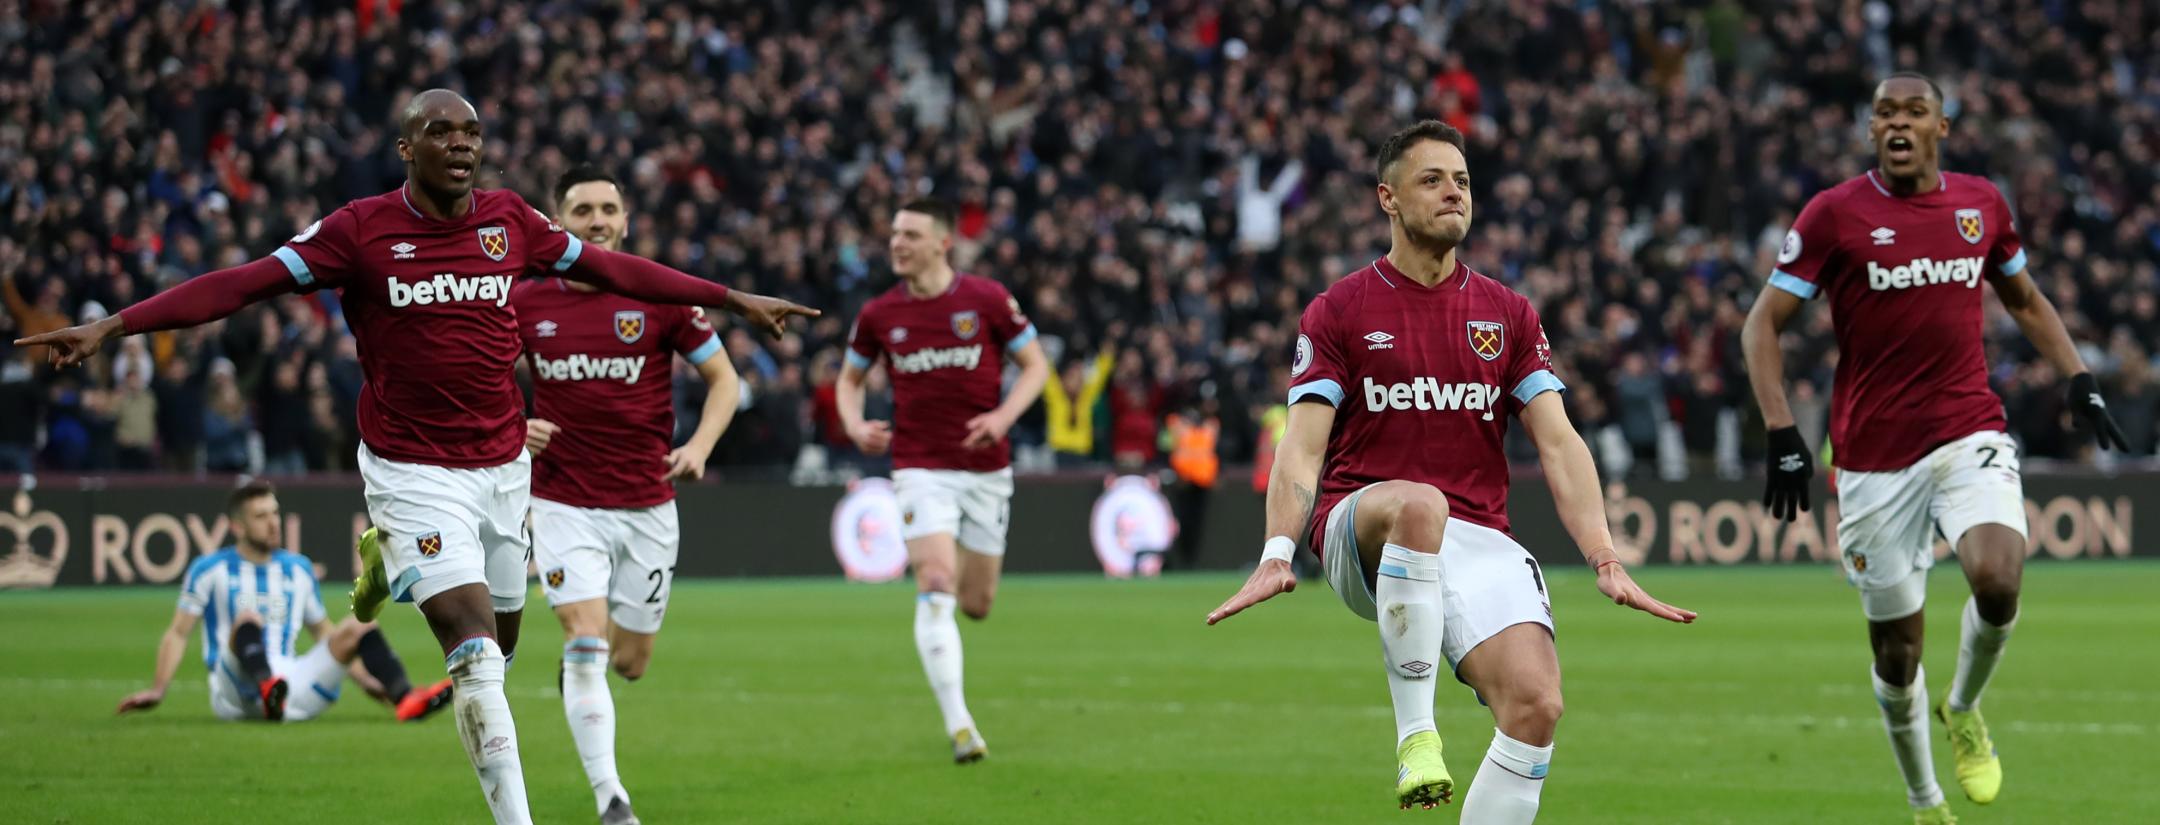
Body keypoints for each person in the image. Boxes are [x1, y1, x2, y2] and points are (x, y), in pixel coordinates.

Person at [15, 89, 816, 825]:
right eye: (442, 132)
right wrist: (114, 324)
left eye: (472, 132)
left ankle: (385, 562)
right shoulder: (358, 231)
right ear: (407, 148)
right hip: (412, 471)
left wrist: (728, 298)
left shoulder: (511, 221)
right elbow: (241, 284)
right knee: (475, 657)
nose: (461, 144)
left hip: (504, 468)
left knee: (504, 645)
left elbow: (615, 268)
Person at [1206, 120, 1696, 820]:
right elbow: (1303, 445)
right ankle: (1417, 737)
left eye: (1462, 181)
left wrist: (1605, 555)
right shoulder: (1340, 309)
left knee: (1536, 706)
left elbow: (1559, 442)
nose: (1453, 192)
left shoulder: (1507, 313)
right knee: (1420, 505)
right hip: (1362, 527)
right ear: (1388, 198)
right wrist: (1277, 550)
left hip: (1475, 534)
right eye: (1432, 180)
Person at [1741, 73, 2130, 825]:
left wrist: (2079, 377)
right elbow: (1762, 323)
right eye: (1885, 113)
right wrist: (1782, 430)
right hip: (1873, 459)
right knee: (1897, 655)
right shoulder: (1833, 215)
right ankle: (1925, 801)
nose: (1898, 124)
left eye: (1914, 112)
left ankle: (1965, 707)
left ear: (1940, 128)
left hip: (1967, 428)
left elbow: (2024, 299)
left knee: (1999, 579)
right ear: (1871, 130)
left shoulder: (1981, 205)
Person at [513, 165, 742, 825]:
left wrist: (700, 447)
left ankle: (585, 669)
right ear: (558, 223)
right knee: (584, 641)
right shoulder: (526, 301)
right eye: (582, 210)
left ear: (625, 220)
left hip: (647, 505)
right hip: (562, 503)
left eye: (607, 209)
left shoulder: (660, 295)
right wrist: (513, 424)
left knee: (631, 663)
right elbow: (479, 376)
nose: (597, 221)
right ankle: (611, 798)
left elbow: (725, 379)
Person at [835, 198, 1051, 763]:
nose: (897, 243)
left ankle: (958, 705)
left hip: (986, 470)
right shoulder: (879, 313)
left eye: (911, 234)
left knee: (976, 603)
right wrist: (854, 425)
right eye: (894, 234)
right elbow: (848, 380)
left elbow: (1036, 366)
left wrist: (1003, 417)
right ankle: (961, 727)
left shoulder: (986, 299)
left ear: (942, 243)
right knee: (934, 579)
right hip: (919, 467)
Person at [114, 481, 454, 723]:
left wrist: (365, 681)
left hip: (289, 683)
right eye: (260, 516)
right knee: (248, 619)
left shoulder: (298, 569)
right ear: (237, 526)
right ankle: (265, 687)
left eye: (275, 513)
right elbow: (178, 632)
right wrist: (158, 689)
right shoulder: (209, 569)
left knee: (357, 626)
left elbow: (323, 632)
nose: (273, 522)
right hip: (233, 689)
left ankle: (404, 698)